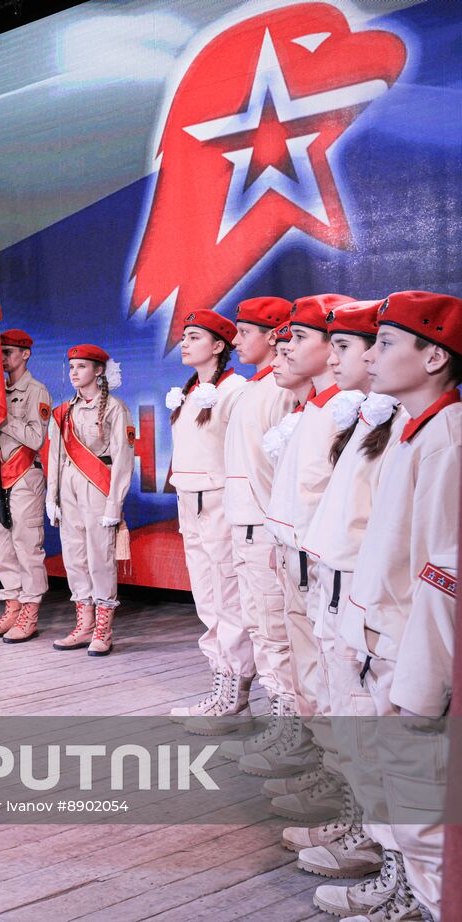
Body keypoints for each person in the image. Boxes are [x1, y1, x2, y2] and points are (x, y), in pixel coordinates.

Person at [307, 291, 460, 922]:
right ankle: (410, 896)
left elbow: (443, 571)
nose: (375, 356)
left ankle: (425, 904)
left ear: (434, 357)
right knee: (403, 792)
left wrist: (422, 683)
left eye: (389, 342)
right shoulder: (411, 428)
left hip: (408, 650)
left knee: (421, 808)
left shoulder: (445, 439)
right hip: (383, 638)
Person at [283, 301, 397, 884]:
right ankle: (359, 827)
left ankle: (385, 853)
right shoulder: (366, 418)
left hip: (365, 597)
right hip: (337, 585)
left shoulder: (405, 426)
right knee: (345, 711)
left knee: (370, 723)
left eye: (349, 347)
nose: (344, 357)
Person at [246, 294, 357, 790]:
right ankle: (324, 766)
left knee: (334, 677)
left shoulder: (346, 411)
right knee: (310, 671)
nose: (286, 348)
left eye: (300, 337)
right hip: (295, 562)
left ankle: (338, 783)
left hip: (326, 572)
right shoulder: (313, 407)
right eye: (286, 337)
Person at [218, 297, 297, 751]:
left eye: (245, 332)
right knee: (260, 629)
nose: (236, 339)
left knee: (275, 634)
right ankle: (281, 726)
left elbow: (282, 474)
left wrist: (275, 531)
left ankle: (291, 732)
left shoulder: (279, 392)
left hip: (265, 528)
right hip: (244, 525)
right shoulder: (254, 389)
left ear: (272, 336)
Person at [164, 311, 249, 720]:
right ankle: (221, 683)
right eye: (183, 336)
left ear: (219, 346)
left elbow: (241, 456)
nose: (184, 342)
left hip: (219, 505)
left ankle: (234, 691)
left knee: (227, 599)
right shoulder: (189, 390)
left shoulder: (235, 390)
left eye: (194, 336)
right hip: (190, 503)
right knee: (207, 600)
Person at [43, 344, 134, 654]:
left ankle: (103, 630)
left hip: (98, 486)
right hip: (68, 487)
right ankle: (83, 626)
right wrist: (51, 496)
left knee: (99, 558)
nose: (74, 373)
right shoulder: (62, 411)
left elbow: (123, 458)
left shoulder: (114, 408)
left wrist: (114, 505)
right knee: (75, 557)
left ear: (98, 371)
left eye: (81, 366)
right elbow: (54, 455)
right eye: (71, 367)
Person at [0, 329, 51, 639]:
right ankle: (13, 607)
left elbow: (35, 438)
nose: (2, 358)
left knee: (26, 544)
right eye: (0, 352)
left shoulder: (36, 391)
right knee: (2, 547)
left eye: (9, 352)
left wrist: (2, 416)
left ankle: (30, 611)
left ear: (25, 354)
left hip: (23, 476)